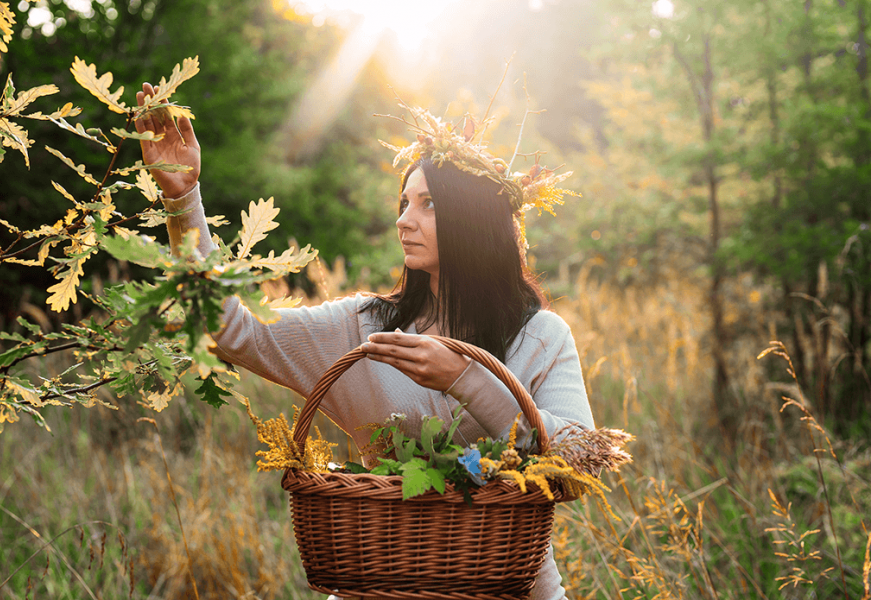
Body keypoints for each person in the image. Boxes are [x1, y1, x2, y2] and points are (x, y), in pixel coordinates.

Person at [135, 82, 594, 600]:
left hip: (512, 589)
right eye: (403, 202)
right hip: (377, 585)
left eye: (428, 204)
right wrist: (182, 199)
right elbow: (230, 330)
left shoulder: (541, 336)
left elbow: (579, 465)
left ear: (476, 220)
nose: (403, 219)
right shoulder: (364, 328)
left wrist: (465, 380)